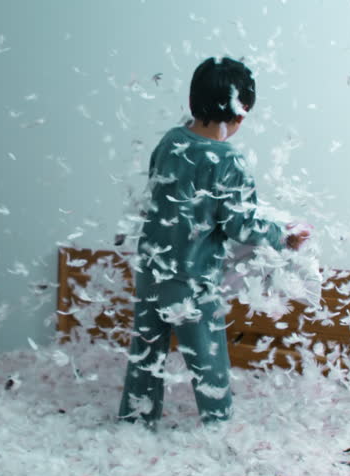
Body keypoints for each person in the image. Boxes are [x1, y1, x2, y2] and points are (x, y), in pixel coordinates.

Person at [118, 56, 309, 428]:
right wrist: (283, 236)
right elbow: (240, 224)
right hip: (192, 279)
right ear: (242, 112)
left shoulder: (170, 141)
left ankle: (135, 423)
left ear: (193, 102)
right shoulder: (228, 160)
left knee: (145, 354)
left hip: (151, 269)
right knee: (208, 360)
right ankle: (218, 427)